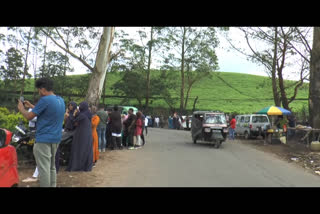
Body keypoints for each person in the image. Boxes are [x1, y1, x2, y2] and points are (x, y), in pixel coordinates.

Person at [17, 77, 65, 187]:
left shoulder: (44, 100)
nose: (39, 93)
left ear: (43, 89)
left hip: (43, 140)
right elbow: (48, 111)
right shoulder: (60, 100)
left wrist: (21, 108)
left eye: (39, 90)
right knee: (51, 167)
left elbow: (29, 116)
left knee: (43, 169)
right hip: (56, 139)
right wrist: (32, 106)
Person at [66, 101, 93, 172]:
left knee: (79, 149)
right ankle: (85, 165)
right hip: (87, 134)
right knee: (85, 149)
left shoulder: (82, 115)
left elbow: (73, 121)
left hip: (81, 134)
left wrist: (71, 115)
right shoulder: (88, 114)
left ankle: (77, 166)